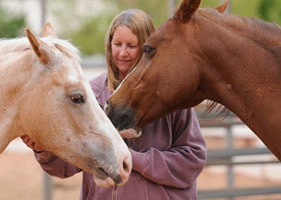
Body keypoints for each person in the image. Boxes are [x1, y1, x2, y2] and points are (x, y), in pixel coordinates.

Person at [22, 8, 207, 200]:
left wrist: (134, 159)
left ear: (146, 46)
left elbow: (192, 159)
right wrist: (42, 150)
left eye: (131, 45)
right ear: (109, 44)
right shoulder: (91, 94)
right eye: (117, 44)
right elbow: (67, 165)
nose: (122, 53)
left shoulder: (170, 95)